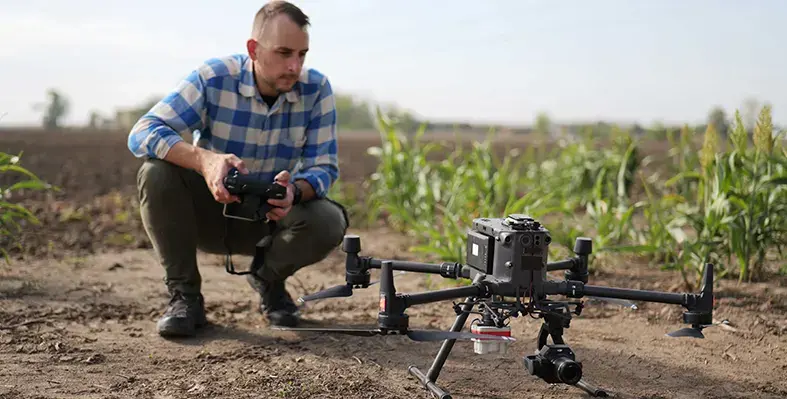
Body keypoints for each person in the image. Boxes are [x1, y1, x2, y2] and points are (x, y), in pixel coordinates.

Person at [126, 1, 348, 337]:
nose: (294, 65)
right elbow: (143, 132)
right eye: (284, 52)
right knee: (156, 172)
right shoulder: (214, 78)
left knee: (329, 220)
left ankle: (268, 280)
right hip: (210, 213)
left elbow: (324, 167)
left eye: (302, 54)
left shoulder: (316, 90)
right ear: (253, 49)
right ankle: (185, 297)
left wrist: (293, 191)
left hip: (270, 220)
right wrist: (205, 160)